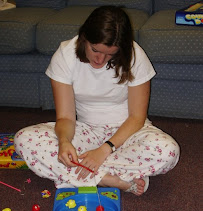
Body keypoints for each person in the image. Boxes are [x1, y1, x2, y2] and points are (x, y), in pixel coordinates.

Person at [14, 6, 180, 196]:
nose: (100, 60)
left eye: (110, 54)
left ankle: (76, 175)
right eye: (95, 50)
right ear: (84, 37)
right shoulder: (65, 55)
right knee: (24, 140)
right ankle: (108, 179)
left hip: (129, 132)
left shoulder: (135, 55)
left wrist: (104, 150)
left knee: (168, 151)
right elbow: (66, 118)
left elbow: (136, 117)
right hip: (85, 131)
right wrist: (64, 141)